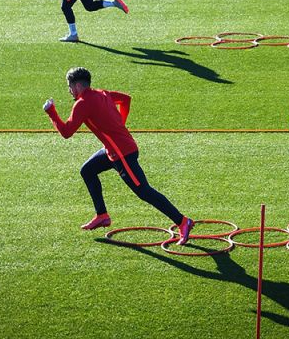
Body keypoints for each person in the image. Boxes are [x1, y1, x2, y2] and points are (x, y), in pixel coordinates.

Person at [43, 67, 194, 244]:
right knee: (87, 171)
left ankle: (183, 221)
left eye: (69, 87)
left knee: (144, 191)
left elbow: (66, 132)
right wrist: (119, 124)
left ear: (76, 86)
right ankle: (102, 215)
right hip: (114, 150)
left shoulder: (82, 104)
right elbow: (126, 99)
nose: (69, 91)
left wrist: (51, 111)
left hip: (123, 154)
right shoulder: (103, 93)